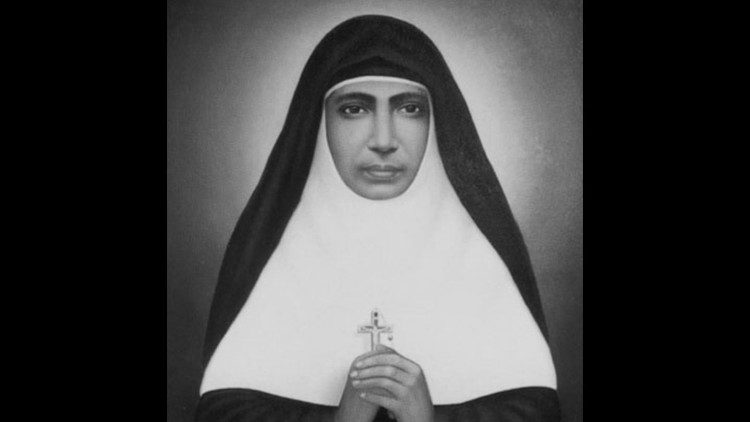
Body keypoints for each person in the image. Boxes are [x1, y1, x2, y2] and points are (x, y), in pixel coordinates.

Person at [195, 15, 561, 422]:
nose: (384, 140)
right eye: (354, 109)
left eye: (409, 108)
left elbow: (538, 411)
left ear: (436, 122)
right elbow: (220, 412)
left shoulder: (484, 262)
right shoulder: (272, 262)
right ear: (319, 122)